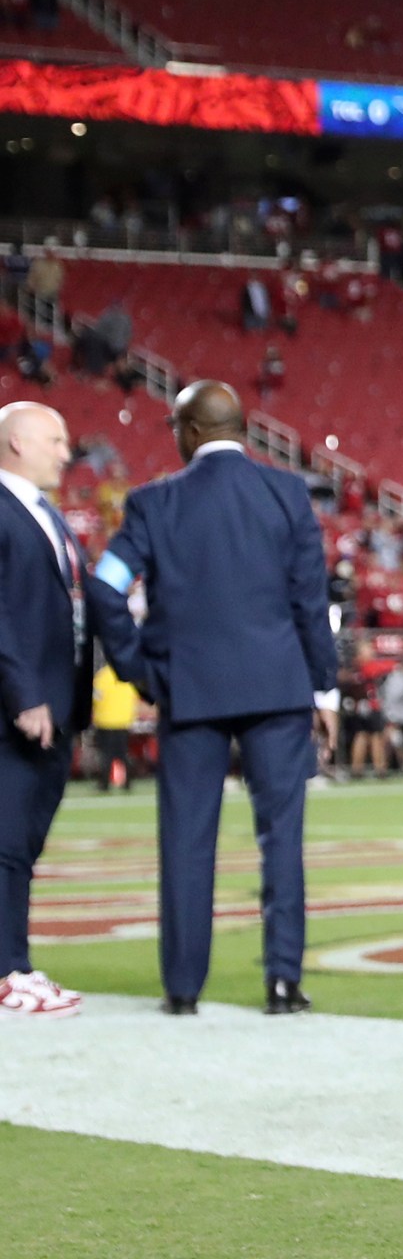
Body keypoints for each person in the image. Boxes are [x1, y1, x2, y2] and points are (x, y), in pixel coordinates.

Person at [86, 382, 337, 1018]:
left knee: (187, 840)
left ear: (191, 431)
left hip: (188, 691)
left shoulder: (153, 502)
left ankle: (183, 987)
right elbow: (312, 603)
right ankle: (282, 982)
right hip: (278, 689)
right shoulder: (286, 494)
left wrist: (141, 670)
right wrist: (324, 689)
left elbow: (105, 589)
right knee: (282, 837)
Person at [0, 402, 92, 1018]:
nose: (66, 451)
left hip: (55, 709)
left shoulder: (44, 513)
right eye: (54, 439)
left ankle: (15, 963)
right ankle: (8, 969)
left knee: (22, 847)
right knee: (6, 844)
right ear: (13, 442)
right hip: (19, 711)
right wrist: (22, 693)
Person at [92, 660, 139, 793]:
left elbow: (96, 697)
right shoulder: (128, 675)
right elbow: (135, 696)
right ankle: (128, 783)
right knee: (123, 754)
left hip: (105, 721)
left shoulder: (102, 676)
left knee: (106, 754)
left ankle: (104, 784)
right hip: (123, 721)